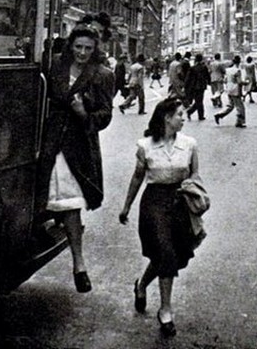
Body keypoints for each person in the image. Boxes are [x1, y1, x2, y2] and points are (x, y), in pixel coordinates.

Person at [36, 25, 114, 292]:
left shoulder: (103, 75)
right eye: (78, 47)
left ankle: (79, 264)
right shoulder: (55, 66)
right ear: (70, 45)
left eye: (88, 48)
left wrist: (83, 113)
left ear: (95, 50)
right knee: (45, 194)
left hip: (77, 147)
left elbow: (105, 115)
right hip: (50, 140)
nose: (82, 52)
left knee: (69, 202)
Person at [119, 98, 203, 338]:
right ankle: (166, 310)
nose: (184, 118)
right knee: (165, 253)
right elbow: (137, 178)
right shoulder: (146, 146)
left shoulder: (190, 145)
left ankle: (142, 285)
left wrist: (196, 198)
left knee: (168, 256)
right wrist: (126, 207)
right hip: (154, 204)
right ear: (167, 118)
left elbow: (195, 175)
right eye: (179, 114)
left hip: (179, 204)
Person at [214, 55, 245, 128]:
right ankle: (239, 122)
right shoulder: (237, 70)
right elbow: (239, 82)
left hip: (229, 89)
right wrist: (246, 82)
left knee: (230, 105)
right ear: (239, 62)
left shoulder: (228, 70)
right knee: (240, 107)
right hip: (236, 90)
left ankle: (219, 114)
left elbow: (225, 80)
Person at [185, 53, 211, 121]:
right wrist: (209, 82)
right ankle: (198, 114)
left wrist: (186, 86)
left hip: (194, 86)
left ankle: (194, 113)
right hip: (201, 86)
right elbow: (207, 76)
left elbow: (188, 78)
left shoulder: (192, 68)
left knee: (198, 101)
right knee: (199, 101)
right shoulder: (204, 67)